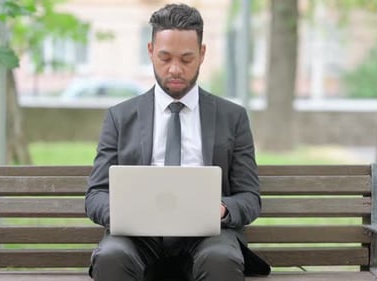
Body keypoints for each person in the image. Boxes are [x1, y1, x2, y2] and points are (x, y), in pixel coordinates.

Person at [84, 3, 270, 281]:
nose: (175, 69)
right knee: (111, 257)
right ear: (150, 51)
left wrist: (222, 209)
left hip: (207, 237)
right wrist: (122, 211)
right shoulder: (120, 118)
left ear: (202, 54)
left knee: (221, 259)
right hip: (137, 237)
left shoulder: (233, 118)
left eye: (186, 59)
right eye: (165, 57)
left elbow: (249, 198)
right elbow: (95, 195)